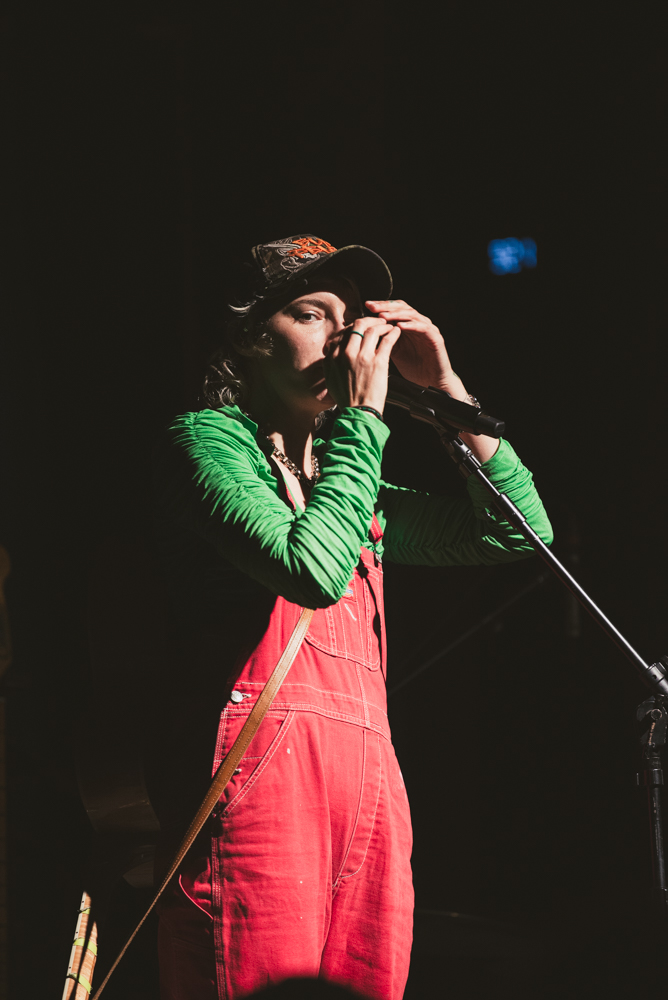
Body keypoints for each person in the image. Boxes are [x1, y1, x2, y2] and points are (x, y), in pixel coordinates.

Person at [152, 234, 553, 1000]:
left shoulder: (350, 481)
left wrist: (446, 387)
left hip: (368, 776)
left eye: (349, 321)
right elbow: (311, 571)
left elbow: (516, 532)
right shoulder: (206, 439)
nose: (340, 340)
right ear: (246, 335)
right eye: (311, 313)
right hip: (266, 773)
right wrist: (364, 419)